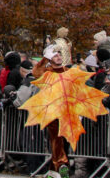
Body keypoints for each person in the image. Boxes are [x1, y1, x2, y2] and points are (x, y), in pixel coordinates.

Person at [35, 45, 71, 178]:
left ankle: (53, 170)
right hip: (52, 110)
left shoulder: (67, 71)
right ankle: (62, 164)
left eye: (59, 55)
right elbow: (36, 72)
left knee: (64, 140)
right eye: (55, 55)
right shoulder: (47, 72)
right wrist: (45, 58)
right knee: (56, 138)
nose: (59, 57)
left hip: (66, 111)